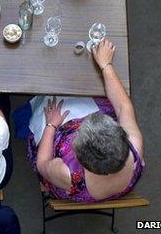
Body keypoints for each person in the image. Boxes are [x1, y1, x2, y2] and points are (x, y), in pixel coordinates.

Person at [27, 39, 144, 202]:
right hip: (104, 181)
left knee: (48, 103)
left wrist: (51, 125)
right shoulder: (134, 148)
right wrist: (105, 65)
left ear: (79, 155)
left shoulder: (68, 174)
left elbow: (42, 164)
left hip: (56, 138)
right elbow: (123, 106)